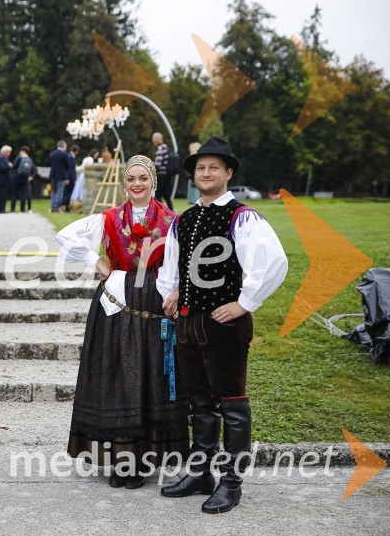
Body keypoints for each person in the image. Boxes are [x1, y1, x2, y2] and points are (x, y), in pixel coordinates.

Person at [157, 137, 287, 514]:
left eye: (214, 167)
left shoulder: (241, 217)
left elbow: (272, 263)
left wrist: (244, 303)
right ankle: (200, 474)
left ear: (228, 173)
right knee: (199, 402)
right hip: (187, 323)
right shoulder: (184, 219)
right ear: (194, 175)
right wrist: (171, 292)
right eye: (201, 168)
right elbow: (172, 264)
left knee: (231, 403)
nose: (206, 173)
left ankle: (231, 481)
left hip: (224, 326)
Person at [56, 155, 189, 490]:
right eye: (130, 179)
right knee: (117, 374)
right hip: (117, 303)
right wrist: (95, 262)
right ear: (124, 183)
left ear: (153, 182)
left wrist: (174, 291)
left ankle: (144, 459)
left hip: (154, 303)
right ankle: (120, 458)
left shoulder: (172, 221)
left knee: (149, 376)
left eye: (142, 178)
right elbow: (66, 237)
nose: (136, 184)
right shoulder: (109, 218)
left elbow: (183, 263)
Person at [153, 132, 174, 211]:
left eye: (155, 139)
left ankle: (162, 210)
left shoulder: (161, 148)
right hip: (167, 174)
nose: (154, 141)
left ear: (158, 139)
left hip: (161, 174)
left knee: (157, 194)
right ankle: (170, 210)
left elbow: (158, 163)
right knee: (166, 194)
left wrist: (152, 170)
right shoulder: (166, 147)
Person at [49, 140, 70, 212]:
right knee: (60, 191)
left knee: (53, 191)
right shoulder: (64, 155)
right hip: (61, 175)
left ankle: (52, 206)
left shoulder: (52, 154)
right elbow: (67, 165)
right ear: (63, 146)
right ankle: (57, 207)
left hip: (53, 175)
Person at [11, 146, 34, 213]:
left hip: (16, 177)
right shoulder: (30, 159)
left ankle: (12, 209)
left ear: (23, 151)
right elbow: (32, 169)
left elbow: (14, 166)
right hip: (25, 178)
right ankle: (22, 209)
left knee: (14, 193)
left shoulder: (18, 158)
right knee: (23, 194)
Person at [0, 145, 12, 213]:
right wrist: (9, 165)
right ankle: (0, 209)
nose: (9, 153)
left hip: (2, 180)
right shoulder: (1, 158)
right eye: (8, 152)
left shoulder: (3, 158)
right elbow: (2, 168)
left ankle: (0, 209)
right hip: (1, 180)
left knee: (2, 195)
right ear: (4, 151)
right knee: (1, 195)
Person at [61, 145, 79, 210]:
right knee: (69, 193)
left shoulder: (70, 156)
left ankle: (66, 207)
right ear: (76, 151)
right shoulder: (69, 157)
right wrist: (67, 178)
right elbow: (69, 169)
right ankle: (63, 203)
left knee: (69, 193)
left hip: (71, 178)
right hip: (70, 178)